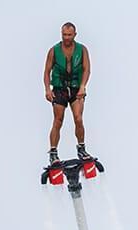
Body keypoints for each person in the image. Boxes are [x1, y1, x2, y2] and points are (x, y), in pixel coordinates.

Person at [44, 22, 92, 165]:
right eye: (64, 34)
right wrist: (47, 89)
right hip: (60, 88)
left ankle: (81, 149)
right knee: (58, 120)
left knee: (78, 118)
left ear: (74, 35)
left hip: (76, 88)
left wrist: (83, 87)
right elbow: (46, 71)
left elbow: (87, 69)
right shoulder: (53, 50)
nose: (66, 37)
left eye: (69, 35)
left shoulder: (82, 49)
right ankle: (53, 153)